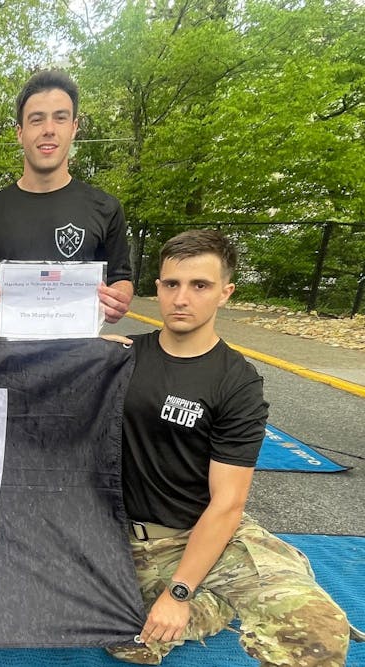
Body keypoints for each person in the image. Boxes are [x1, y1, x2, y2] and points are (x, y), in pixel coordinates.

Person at [110, 229, 350, 665]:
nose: (182, 298)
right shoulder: (120, 355)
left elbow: (227, 503)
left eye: (199, 285)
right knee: (127, 640)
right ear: (158, 288)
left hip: (202, 535)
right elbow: (34, 357)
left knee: (317, 634)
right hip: (117, 544)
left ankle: (202, 593)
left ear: (225, 293)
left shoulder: (236, 383)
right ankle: (213, 606)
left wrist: (179, 592)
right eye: (171, 284)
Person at [0, 70, 133, 327]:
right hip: (5, 362)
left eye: (60, 118)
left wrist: (119, 298)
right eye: (37, 120)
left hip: (78, 362)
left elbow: (120, 277)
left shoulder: (105, 208)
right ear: (20, 132)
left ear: (74, 127)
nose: (48, 130)